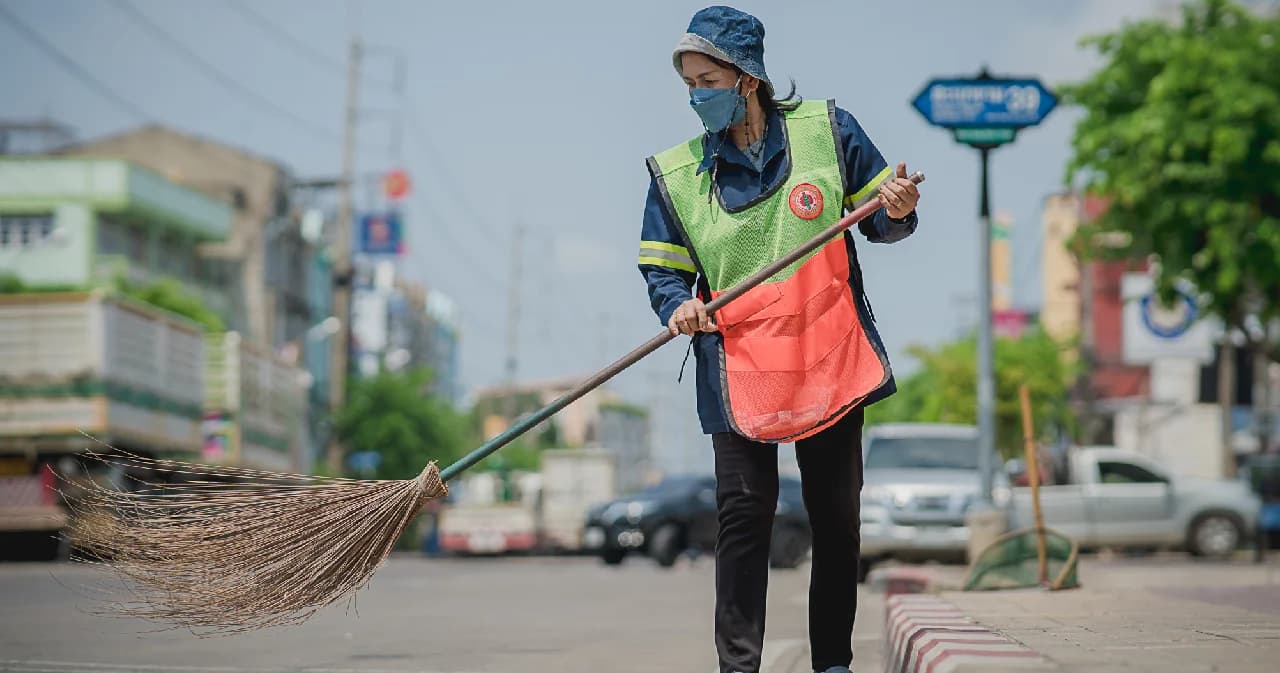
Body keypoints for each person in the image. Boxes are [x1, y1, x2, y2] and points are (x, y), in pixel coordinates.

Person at [637, 7, 920, 673]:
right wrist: (679, 306)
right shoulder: (676, 175)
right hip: (738, 366)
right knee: (743, 516)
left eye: (707, 78)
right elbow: (663, 269)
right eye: (689, 83)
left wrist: (900, 208)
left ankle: (833, 663)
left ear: (747, 79)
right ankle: (739, 666)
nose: (696, 94)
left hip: (827, 356)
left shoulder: (829, 130)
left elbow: (884, 221)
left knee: (835, 519)